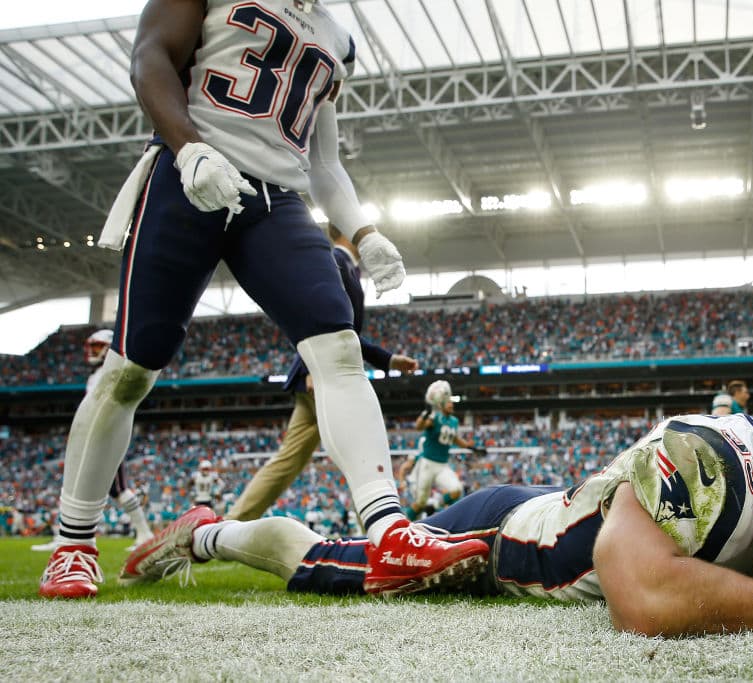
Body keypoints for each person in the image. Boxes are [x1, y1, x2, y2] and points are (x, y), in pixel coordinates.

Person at [39, 0, 488, 599]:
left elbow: (325, 161)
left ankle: (389, 532)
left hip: (275, 199)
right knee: (130, 371)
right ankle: (73, 543)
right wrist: (190, 146)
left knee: (339, 349)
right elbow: (151, 59)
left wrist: (364, 231)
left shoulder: (336, 36)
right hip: (187, 173)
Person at [122, 401, 753, 635]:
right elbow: (646, 600)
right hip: (499, 537)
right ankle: (209, 531)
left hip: (567, 516)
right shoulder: (709, 459)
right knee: (345, 566)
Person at [227, 226, 418, 522]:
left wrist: (390, 360)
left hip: (321, 375)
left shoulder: (345, 267)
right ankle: (387, 532)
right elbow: (311, 317)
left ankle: (229, 525)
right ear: (347, 231)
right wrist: (311, 369)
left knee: (288, 462)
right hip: (323, 376)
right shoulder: (335, 263)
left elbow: (345, 333)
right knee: (361, 451)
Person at [32, 329, 155, 553]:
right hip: (98, 438)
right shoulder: (96, 375)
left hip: (104, 438)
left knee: (116, 489)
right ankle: (65, 535)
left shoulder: (108, 373)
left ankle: (144, 533)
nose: (92, 351)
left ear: (109, 347)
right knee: (104, 488)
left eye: (98, 346)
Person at [397, 381, 484, 519]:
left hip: (442, 465)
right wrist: (426, 413)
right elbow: (419, 426)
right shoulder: (434, 417)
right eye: (449, 402)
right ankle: (406, 522)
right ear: (441, 404)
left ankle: (436, 505)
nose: (451, 404)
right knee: (420, 502)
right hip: (427, 464)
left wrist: (471, 448)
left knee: (456, 490)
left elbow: (455, 439)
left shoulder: (454, 421)